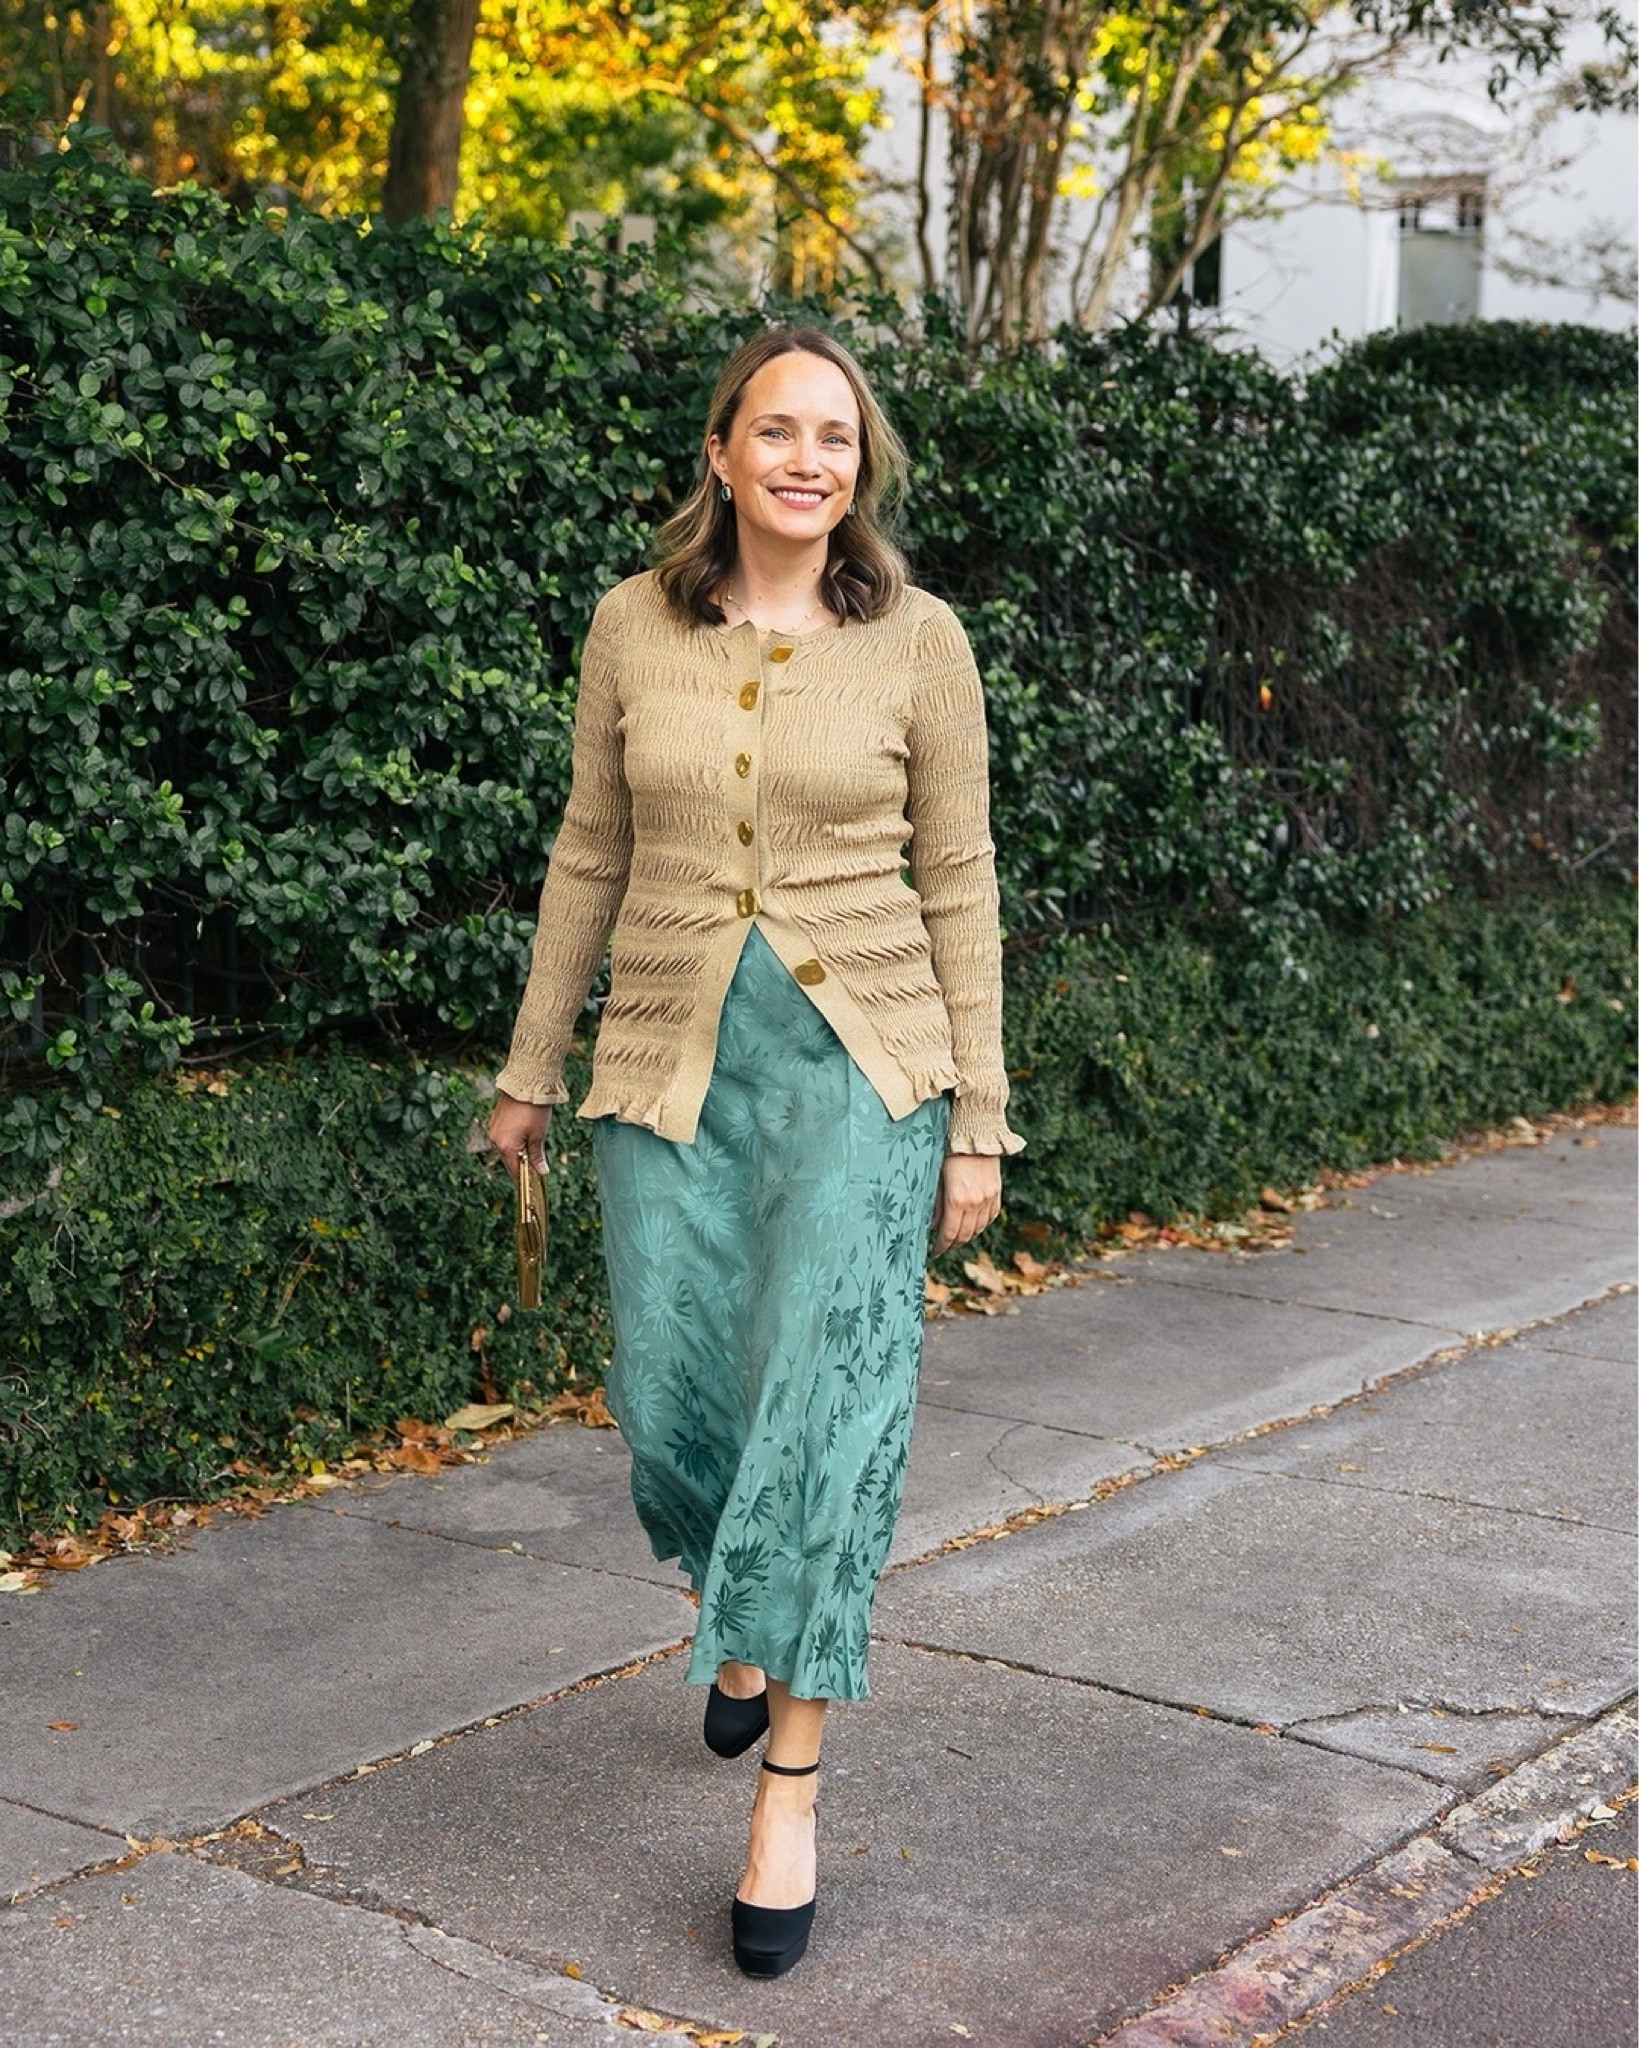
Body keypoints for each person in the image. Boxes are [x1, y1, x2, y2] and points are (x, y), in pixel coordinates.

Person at [487, 324, 1023, 1978]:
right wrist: (528, 1065)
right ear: (720, 454)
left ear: (861, 472)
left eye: (837, 439)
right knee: (672, 1407)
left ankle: (788, 1788)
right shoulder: (628, 629)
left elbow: (962, 880)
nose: (808, 459)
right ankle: (738, 1619)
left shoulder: (921, 642)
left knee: (823, 1414)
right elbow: (590, 852)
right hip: (668, 1066)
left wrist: (980, 1121)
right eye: (776, 430)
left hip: (862, 1079)